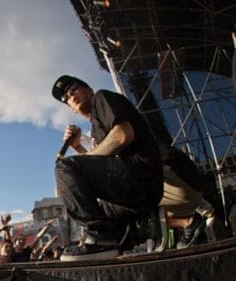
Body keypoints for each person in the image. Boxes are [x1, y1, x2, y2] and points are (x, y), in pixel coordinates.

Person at [52, 74, 163, 261]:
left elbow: (122, 136)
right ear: (71, 108)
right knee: (98, 209)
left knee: (64, 166)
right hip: (132, 191)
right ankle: (131, 236)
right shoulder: (95, 128)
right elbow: (98, 166)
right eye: (66, 98)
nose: (71, 95)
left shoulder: (101, 98)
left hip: (140, 174)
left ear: (88, 89)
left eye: (73, 88)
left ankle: (100, 239)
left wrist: (78, 161)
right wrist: (78, 147)